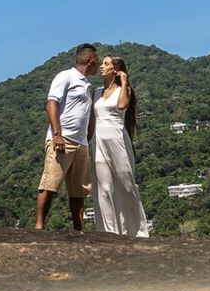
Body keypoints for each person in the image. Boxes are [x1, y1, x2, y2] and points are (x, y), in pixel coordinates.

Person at [36, 44, 99, 231]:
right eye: (97, 58)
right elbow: (51, 103)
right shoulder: (66, 76)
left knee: (78, 191)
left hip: (80, 144)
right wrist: (57, 135)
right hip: (63, 140)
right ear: (90, 60)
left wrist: (87, 138)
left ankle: (78, 230)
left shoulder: (88, 86)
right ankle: (39, 225)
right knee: (50, 183)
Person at [90, 55, 150, 237]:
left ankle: (137, 231)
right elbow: (92, 119)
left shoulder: (124, 90)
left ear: (115, 69)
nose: (102, 66)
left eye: (106, 64)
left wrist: (124, 82)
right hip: (98, 139)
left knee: (126, 185)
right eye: (102, 63)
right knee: (104, 188)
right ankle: (109, 232)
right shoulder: (96, 92)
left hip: (116, 137)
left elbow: (123, 105)